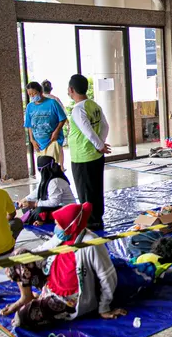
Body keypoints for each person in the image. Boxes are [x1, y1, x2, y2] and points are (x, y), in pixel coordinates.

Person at [0, 202, 126, 327]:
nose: (55, 228)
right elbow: (41, 250)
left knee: (21, 318)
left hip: (68, 298)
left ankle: (48, 304)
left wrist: (104, 308)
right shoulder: (63, 236)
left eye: (58, 225)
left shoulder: (90, 243)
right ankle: (26, 297)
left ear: (71, 225)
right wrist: (18, 260)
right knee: (19, 255)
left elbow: (107, 276)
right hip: (50, 282)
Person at [67, 74, 110, 231]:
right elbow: (105, 126)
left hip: (83, 156)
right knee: (96, 188)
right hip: (96, 155)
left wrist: (99, 145)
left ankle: (90, 222)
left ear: (71, 89)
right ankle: (96, 217)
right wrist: (101, 144)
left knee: (85, 191)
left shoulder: (78, 109)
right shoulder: (94, 105)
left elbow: (87, 131)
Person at [19, 156, 76, 226]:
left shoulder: (55, 181)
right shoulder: (48, 178)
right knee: (26, 208)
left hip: (67, 209)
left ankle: (41, 219)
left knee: (38, 211)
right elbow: (38, 190)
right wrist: (25, 199)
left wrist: (35, 204)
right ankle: (40, 218)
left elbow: (54, 202)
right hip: (57, 207)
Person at [25, 81, 67, 166]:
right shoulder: (29, 106)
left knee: (51, 165)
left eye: (34, 93)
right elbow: (29, 125)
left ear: (40, 92)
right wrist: (32, 140)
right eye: (30, 94)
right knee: (43, 167)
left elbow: (62, 119)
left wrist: (56, 132)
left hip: (52, 140)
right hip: (39, 143)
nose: (32, 96)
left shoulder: (52, 103)